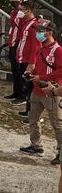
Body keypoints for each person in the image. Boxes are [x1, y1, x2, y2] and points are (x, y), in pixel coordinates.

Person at [21, 19, 62, 166]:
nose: (38, 33)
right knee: (33, 118)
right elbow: (38, 67)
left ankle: (60, 153)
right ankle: (36, 145)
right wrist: (30, 72)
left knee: (57, 124)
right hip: (37, 90)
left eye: (41, 31)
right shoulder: (41, 49)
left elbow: (60, 71)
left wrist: (41, 77)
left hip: (52, 92)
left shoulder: (58, 50)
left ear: (50, 32)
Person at [14, 0, 41, 106]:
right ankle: (28, 109)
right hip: (22, 58)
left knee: (29, 86)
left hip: (28, 60)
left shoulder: (34, 26)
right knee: (26, 85)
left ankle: (30, 111)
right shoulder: (26, 23)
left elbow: (36, 46)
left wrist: (32, 62)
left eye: (21, 10)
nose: (19, 12)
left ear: (28, 11)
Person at [4, 0, 25, 101]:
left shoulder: (23, 13)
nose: (14, 1)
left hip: (19, 43)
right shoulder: (13, 12)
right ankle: (16, 92)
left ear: (21, 0)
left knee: (19, 70)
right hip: (12, 42)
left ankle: (22, 95)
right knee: (14, 70)